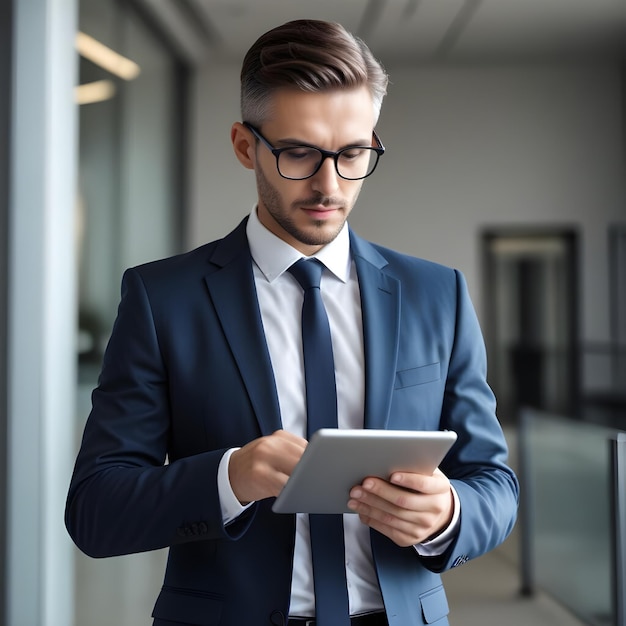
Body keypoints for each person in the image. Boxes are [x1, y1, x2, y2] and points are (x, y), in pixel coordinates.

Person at [65, 18, 519, 626]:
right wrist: (231, 477)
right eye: (299, 152)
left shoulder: (437, 293)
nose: (329, 185)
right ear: (244, 145)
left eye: (353, 153)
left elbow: (494, 483)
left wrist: (450, 514)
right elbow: (97, 509)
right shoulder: (161, 299)